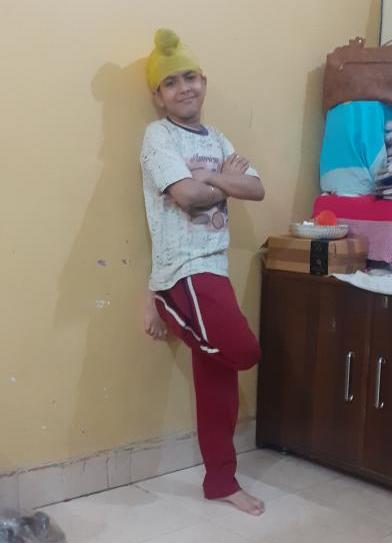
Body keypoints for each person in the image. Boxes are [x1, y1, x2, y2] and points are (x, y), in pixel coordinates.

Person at [140, 28, 266, 516]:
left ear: (204, 82)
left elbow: (256, 189)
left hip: (214, 265)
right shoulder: (158, 137)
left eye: (189, 77)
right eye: (170, 83)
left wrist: (212, 175)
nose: (183, 88)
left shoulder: (216, 139)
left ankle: (221, 481)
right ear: (158, 96)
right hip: (185, 268)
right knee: (244, 351)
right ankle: (163, 300)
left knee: (218, 375)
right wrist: (224, 181)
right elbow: (186, 196)